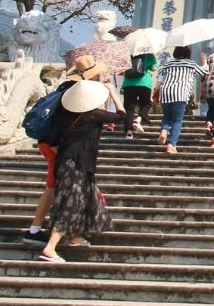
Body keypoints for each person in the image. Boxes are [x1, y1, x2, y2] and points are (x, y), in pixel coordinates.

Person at [23, 56, 118, 246]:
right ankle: (36, 231)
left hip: (55, 144)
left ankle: (72, 234)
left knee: (62, 189)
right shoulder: (75, 93)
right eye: (96, 74)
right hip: (57, 146)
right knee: (54, 188)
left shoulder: (68, 88)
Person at [36, 80, 124, 262]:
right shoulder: (92, 115)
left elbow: (51, 142)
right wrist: (112, 92)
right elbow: (124, 117)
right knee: (71, 202)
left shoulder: (65, 115)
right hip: (78, 164)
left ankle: (76, 236)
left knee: (85, 198)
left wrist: (65, 155)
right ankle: (50, 247)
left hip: (66, 163)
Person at [154, 46, 208, 154]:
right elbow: (204, 72)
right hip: (181, 93)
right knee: (177, 120)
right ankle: (171, 145)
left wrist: (154, 93)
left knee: (166, 116)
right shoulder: (190, 64)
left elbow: (159, 82)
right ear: (188, 54)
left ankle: (164, 131)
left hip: (166, 93)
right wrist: (205, 62)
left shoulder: (167, 64)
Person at [120, 50, 155, 138]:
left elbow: (122, 68)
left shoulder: (128, 54)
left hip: (128, 84)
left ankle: (129, 131)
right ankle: (137, 121)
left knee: (129, 108)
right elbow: (153, 68)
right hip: (144, 83)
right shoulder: (149, 55)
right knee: (146, 104)